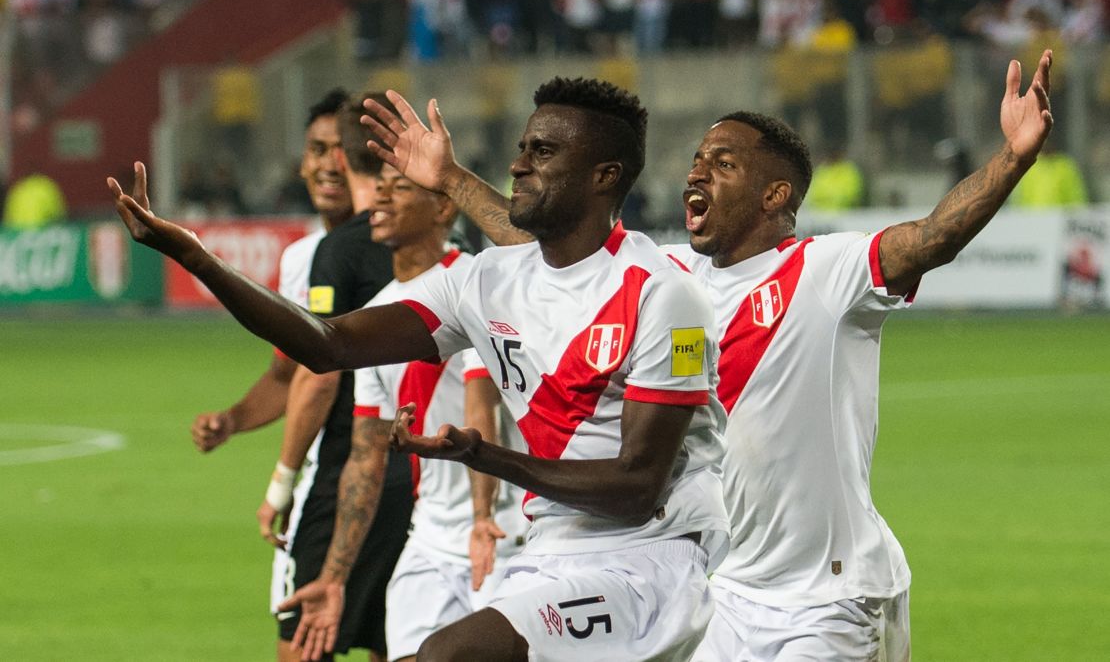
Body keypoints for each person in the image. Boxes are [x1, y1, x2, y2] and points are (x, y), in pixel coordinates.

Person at [373, 50, 1055, 662]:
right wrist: (452, 178)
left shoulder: (826, 271)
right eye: (697, 161)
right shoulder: (670, 282)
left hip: (831, 600)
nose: (697, 173)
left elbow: (932, 236)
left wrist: (1013, 157)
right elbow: (537, 246)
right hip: (724, 594)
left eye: (722, 164)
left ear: (775, 194)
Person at [108, 76, 728, 662]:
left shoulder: (662, 296)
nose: (517, 164)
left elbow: (636, 488)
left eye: (542, 151)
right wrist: (195, 256)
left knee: (447, 655)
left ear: (604, 176)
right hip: (550, 554)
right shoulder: (483, 281)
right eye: (521, 148)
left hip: (653, 559)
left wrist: (480, 455)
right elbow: (328, 344)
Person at [281, 161, 529, 662]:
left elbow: (482, 406)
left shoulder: (476, 286)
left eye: (400, 188)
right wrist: (333, 578)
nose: (381, 200)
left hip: (505, 537)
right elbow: (366, 456)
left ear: (442, 206)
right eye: (380, 189)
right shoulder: (378, 317)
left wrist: (482, 518)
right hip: (432, 539)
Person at [186, 88, 356, 659]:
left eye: (341, 149)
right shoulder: (303, 258)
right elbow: (289, 374)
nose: (327, 164)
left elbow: (322, 375)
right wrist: (233, 419)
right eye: (316, 149)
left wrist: (280, 481)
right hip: (338, 477)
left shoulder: (404, 249)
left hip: (373, 476)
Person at [257, 93, 409, 662]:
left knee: (303, 641)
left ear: (345, 160)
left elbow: (318, 372)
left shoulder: (335, 253)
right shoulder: (445, 248)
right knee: (397, 639)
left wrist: (281, 482)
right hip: (427, 471)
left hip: (349, 469)